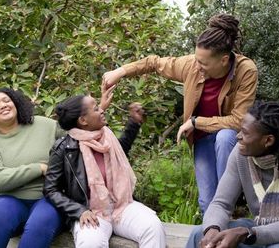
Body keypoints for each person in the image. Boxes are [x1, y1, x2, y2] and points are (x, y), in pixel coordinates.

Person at [102, 13, 258, 213]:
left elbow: (238, 120)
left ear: (224, 60)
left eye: (203, 63)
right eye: (196, 60)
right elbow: (154, 63)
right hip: (202, 139)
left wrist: (195, 122)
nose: (197, 66)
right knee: (206, 203)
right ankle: (213, 234)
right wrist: (120, 72)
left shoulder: (246, 71)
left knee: (224, 138)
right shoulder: (192, 65)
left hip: (228, 137)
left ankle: (230, 197)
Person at [186, 102, 279, 248]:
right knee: (198, 234)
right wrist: (212, 230)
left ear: (268, 140)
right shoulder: (241, 153)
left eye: (245, 133)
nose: (238, 137)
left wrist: (247, 233)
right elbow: (221, 203)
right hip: (258, 228)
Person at [44, 94, 166, 248]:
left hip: (121, 205)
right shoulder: (63, 148)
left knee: (152, 226)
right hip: (90, 211)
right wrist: (79, 211)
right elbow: (50, 189)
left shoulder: (107, 137)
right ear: (83, 120)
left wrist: (134, 122)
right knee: (90, 242)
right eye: (96, 109)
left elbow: (121, 150)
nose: (102, 110)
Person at [0, 88, 65, 248]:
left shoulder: (44, 125)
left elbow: (79, 134)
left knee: (39, 225)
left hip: (49, 196)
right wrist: (38, 168)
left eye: (6, 100)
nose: (3, 105)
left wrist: (98, 108)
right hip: (9, 200)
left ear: (16, 104)